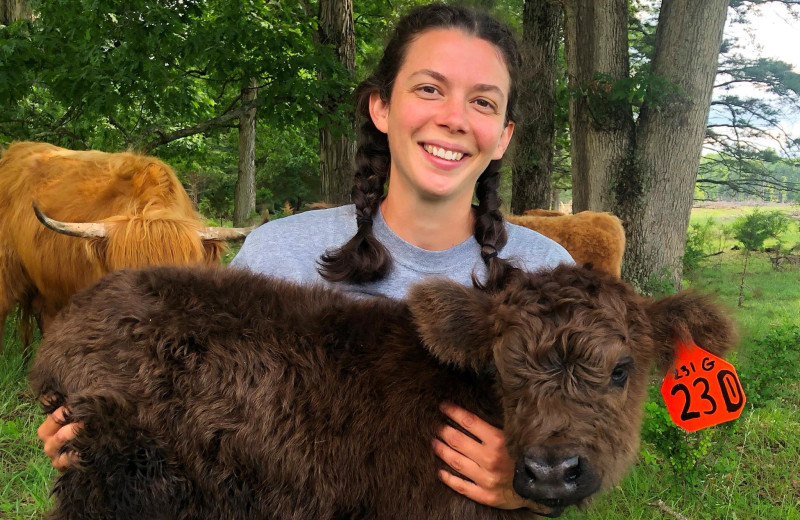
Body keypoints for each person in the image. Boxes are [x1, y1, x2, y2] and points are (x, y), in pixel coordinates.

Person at [38, 3, 572, 513]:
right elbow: (193, 406)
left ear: (503, 136)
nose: (454, 118)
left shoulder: (553, 277)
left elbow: (584, 433)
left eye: (482, 101)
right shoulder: (279, 254)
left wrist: (532, 484)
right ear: (381, 107)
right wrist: (100, 431)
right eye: (430, 89)